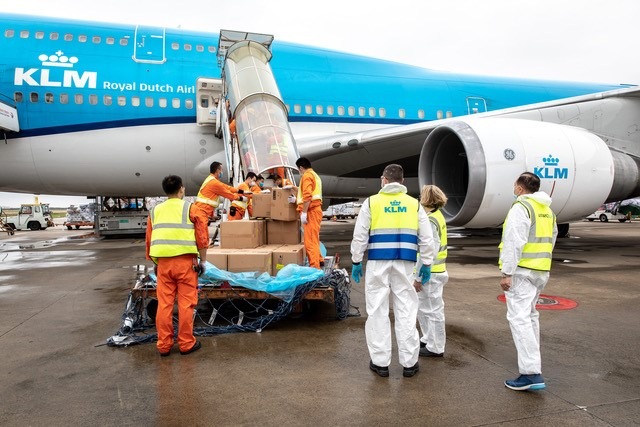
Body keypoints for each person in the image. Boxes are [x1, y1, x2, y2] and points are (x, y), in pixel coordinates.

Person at [350, 164, 434, 378]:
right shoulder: (414, 205)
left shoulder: (372, 202)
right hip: (405, 262)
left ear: (383, 180)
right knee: (406, 310)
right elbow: (426, 237)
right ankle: (409, 363)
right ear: (403, 181)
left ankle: (380, 363)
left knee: (377, 310)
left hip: (378, 262)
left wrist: (357, 260)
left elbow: (360, 235)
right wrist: (426, 263)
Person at [499, 172, 557, 391]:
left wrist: (507, 272)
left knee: (519, 319)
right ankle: (533, 367)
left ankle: (531, 373)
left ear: (520, 188)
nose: (514, 188)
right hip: (541, 270)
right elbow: (552, 239)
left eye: (515, 184)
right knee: (531, 317)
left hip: (522, 272)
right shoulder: (546, 210)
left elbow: (514, 241)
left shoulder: (521, 208)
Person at [146, 175, 209, 357]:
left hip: (163, 265)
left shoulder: (155, 211)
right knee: (186, 304)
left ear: (165, 191)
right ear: (181, 189)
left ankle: (164, 346)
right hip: (185, 263)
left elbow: (149, 241)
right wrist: (203, 261)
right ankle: (186, 344)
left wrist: (156, 263)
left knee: (164, 305)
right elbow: (202, 237)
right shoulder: (191, 208)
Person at [413, 184, 448, 358]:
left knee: (433, 310)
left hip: (431, 272)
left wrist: (419, 277)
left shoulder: (431, 220)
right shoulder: (436, 216)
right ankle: (428, 338)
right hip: (435, 270)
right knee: (426, 308)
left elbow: (429, 251)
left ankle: (436, 346)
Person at [194, 161, 246, 228]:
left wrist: (240, 191)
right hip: (203, 211)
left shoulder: (211, 179)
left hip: (203, 210)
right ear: (217, 170)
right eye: (221, 170)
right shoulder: (214, 183)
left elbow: (226, 187)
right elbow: (228, 194)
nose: (222, 172)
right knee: (202, 233)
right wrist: (241, 198)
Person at [295, 157, 323, 269]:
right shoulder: (315, 175)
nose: (299, 172)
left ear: (301, 167)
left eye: (299, 170)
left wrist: (304, 212)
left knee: (310, 242)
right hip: (315, 210)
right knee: (314, 238)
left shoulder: (306, 176)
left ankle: (315, 268)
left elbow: (307, 196)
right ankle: (319, 260)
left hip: (311, 211)